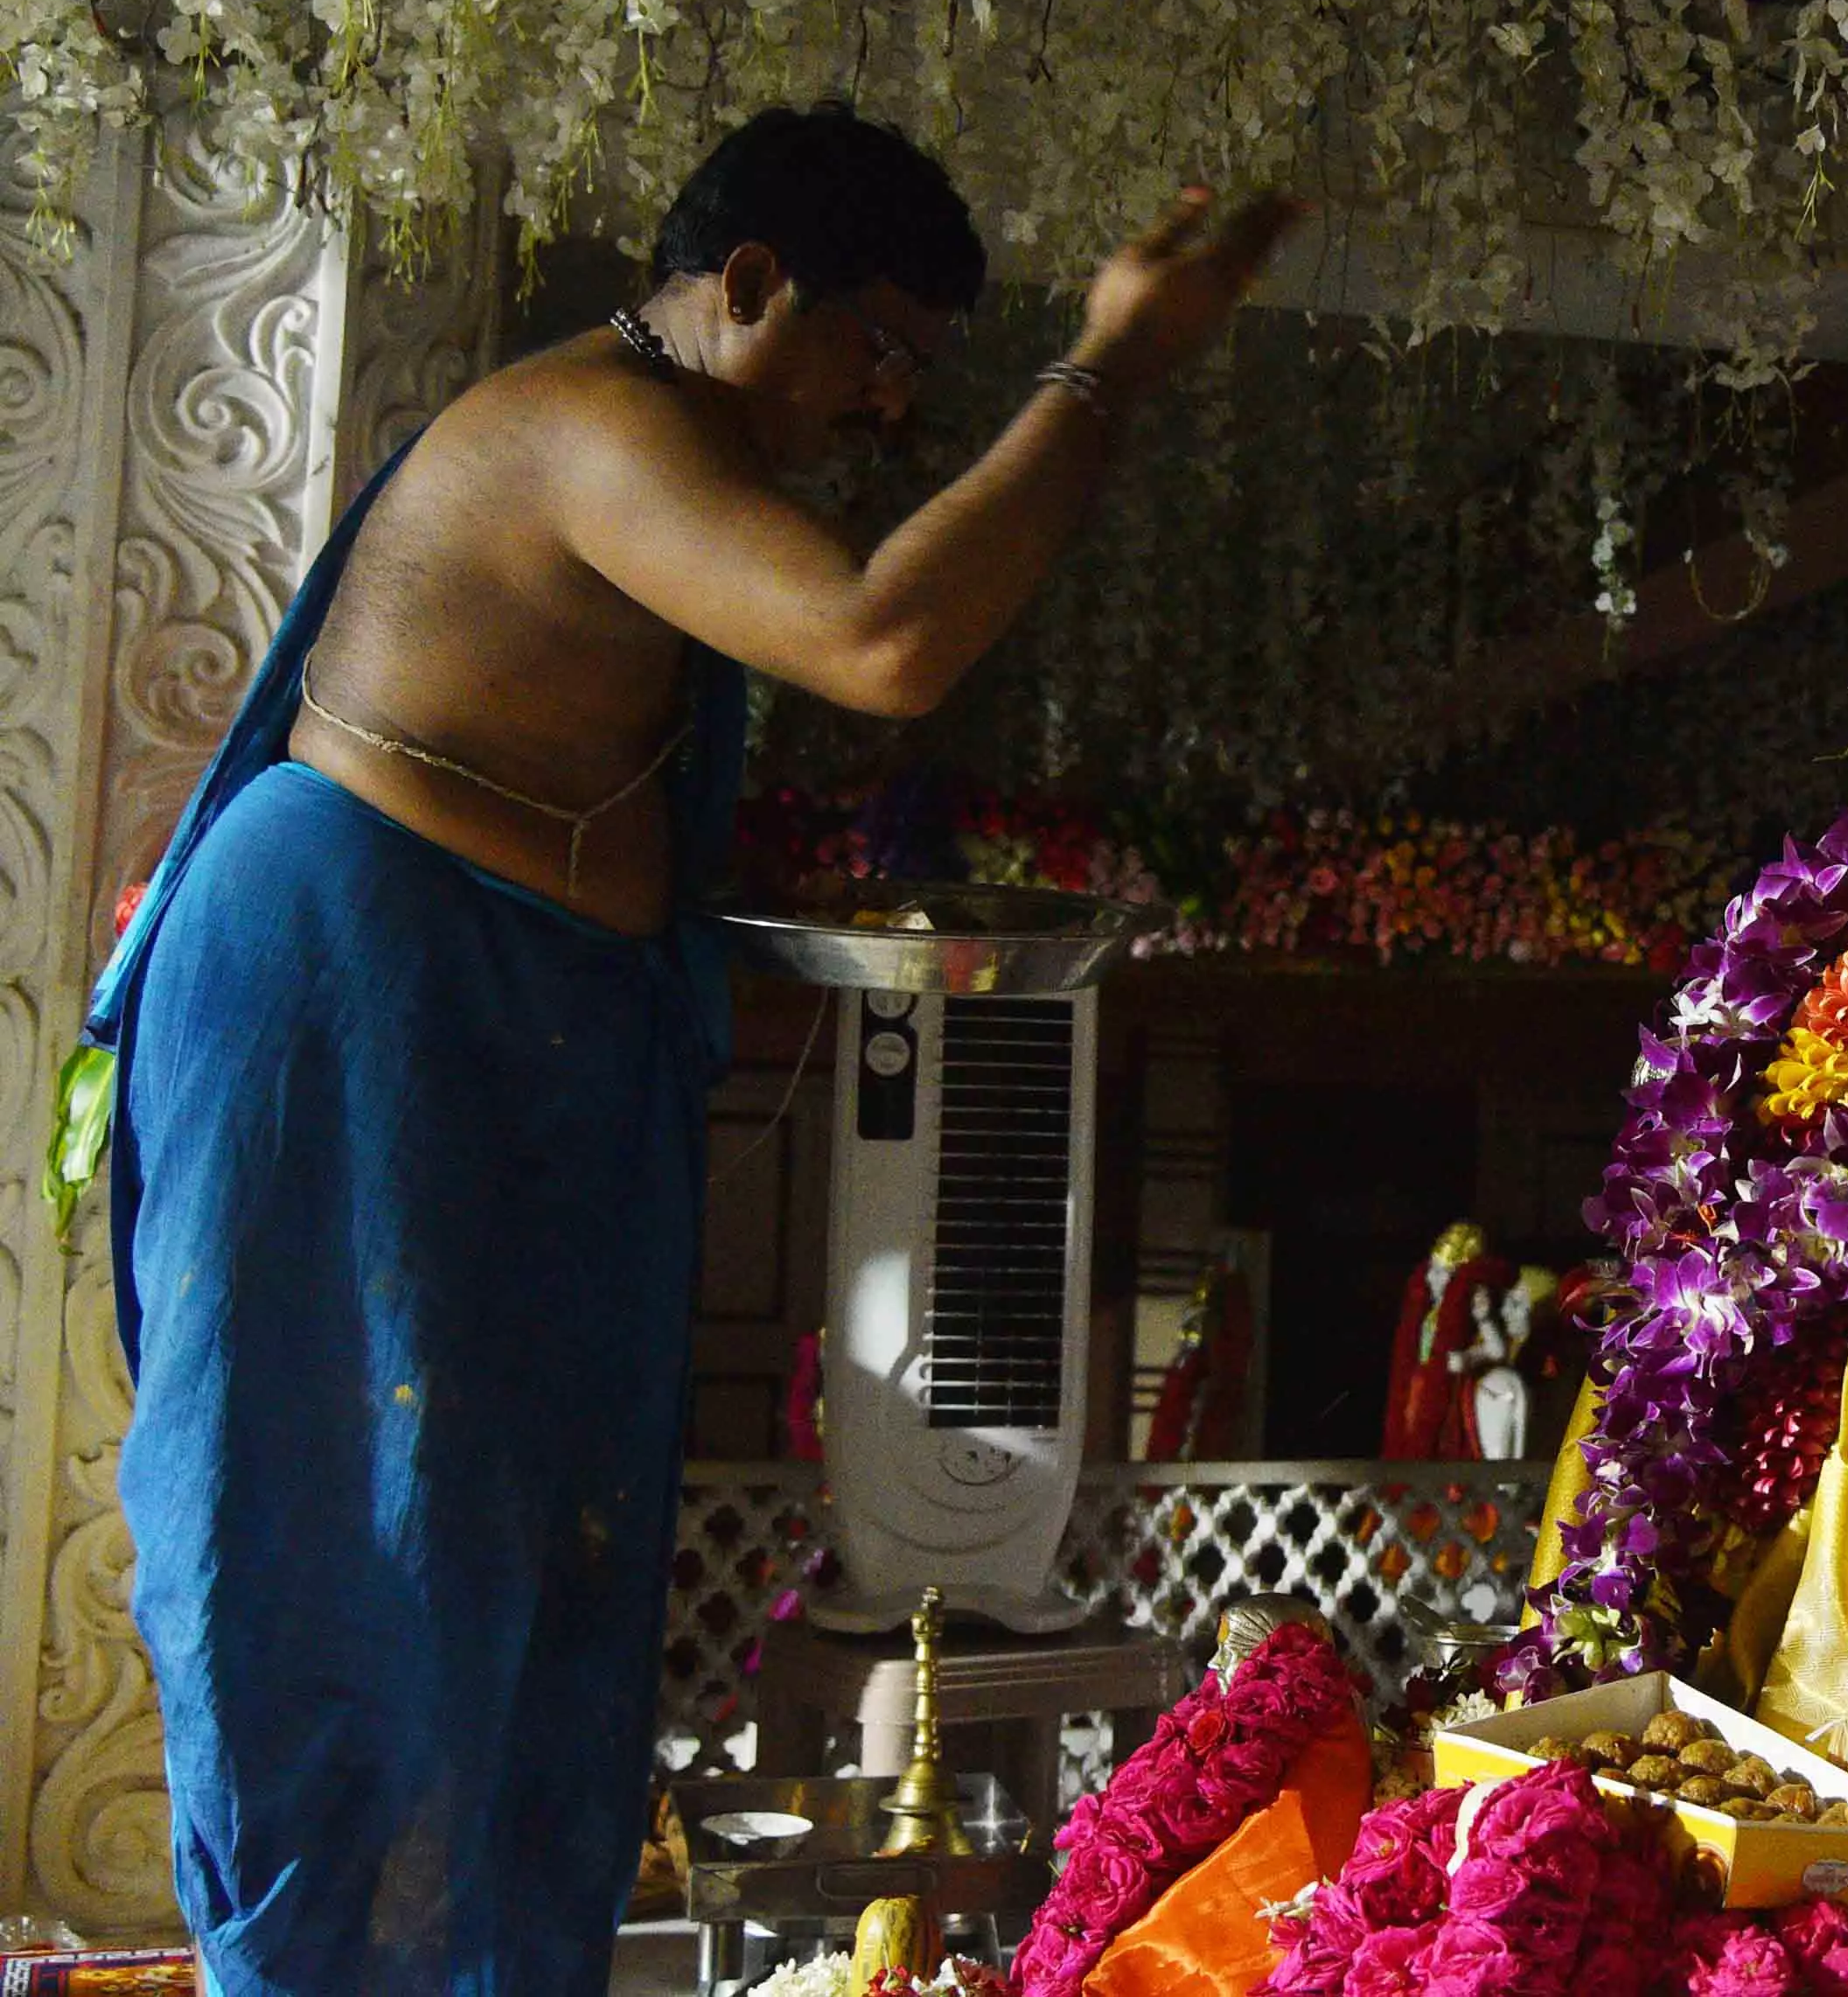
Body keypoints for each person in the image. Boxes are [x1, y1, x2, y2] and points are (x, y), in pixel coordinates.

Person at [86, 103, 1295, 1996]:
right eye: (880, 350)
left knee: (491, 1542)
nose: (888, 409)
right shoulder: (602, 426)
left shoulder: (652, 434)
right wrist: (1109, 365)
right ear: (745, 287)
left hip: (485, 1007)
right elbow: (885, 640)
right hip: (354, 982)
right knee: (346, 1536)